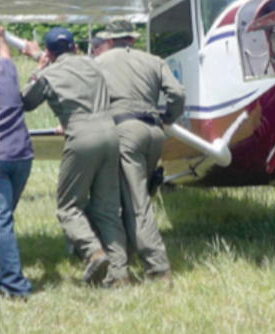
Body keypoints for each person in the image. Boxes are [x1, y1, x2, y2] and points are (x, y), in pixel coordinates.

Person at [20, 27, 130, 288]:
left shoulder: (49, 74)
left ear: (49, 53)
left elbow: (25, 101)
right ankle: (120, 274)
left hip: (81, 136)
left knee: (68, 207)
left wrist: (38, 67)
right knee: (107, 209)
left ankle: (94, 252)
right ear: (76, 48)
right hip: (110, 133)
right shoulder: (94, 64)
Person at [94, 17, 185, 285]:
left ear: (109, 40)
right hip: (155, 132)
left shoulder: (99, 62)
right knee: (137, 195)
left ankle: (157, 268)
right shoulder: (154, 60)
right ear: (132, 38)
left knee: (136, 202)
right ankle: (127, 256)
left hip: (124, 130)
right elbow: (177, 94)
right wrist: (168, 117)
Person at [0, 26, 34, 300]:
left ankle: (15, 286)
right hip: (20, 156)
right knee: (2, 218)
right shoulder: (7, 73)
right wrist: (0, 36)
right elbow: (5, 52)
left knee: (0, 222)